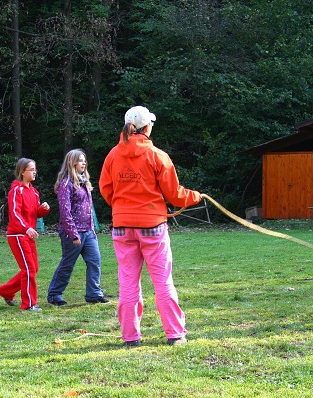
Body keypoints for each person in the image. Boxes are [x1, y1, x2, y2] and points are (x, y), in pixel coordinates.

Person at [99, 106, 202, 347]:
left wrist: (122, 207)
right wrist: (195, 196)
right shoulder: (158, 156)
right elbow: (175, 195)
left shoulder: (113, 155)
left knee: (128, 282)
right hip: (153, 226)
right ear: (147, 127)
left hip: (122, 227)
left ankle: (131, 338)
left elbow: (105, 189)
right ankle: (175, 334)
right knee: (162, 281)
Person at [47, 149, 108, 306]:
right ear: (72, 163)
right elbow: (65, 212)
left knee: (95, 261)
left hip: (88, 232)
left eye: (84, 160)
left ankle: (94, 294)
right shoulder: (65, 184)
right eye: (81, 160)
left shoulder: (84, 182)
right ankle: (54, 294)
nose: (84, 163)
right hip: (73, 234)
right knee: (68, 264)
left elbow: (88, 209)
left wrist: (92, 229)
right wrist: (74, 235)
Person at [0, 158, 50, 311]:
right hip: (17, 235)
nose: (34, 172)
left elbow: (35, 214)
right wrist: (26, 228)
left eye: (35, 169)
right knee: (29, 269)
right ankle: (29, 304)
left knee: (33, 268)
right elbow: (14, 213)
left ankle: (6, 291)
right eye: (31, 170)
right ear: (22, 172)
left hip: (28, 234)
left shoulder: (33, 191)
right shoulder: (16, 190)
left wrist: (43, 209)